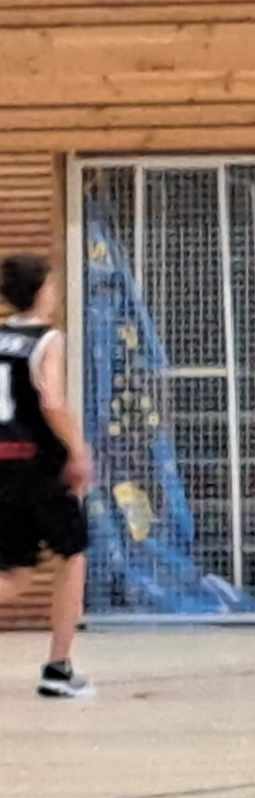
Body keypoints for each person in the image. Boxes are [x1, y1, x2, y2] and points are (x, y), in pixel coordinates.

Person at [0, 253, 94, 700]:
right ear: (39, 291)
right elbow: (52, 401)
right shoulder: (48, 339)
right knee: (74, 554)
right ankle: (58, 668)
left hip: (2, 464)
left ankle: (59, 667)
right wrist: (78, 450)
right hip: (36, 465)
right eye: (52, 286)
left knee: (16, 574)